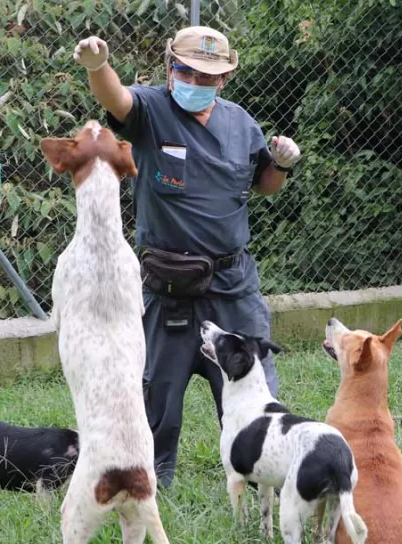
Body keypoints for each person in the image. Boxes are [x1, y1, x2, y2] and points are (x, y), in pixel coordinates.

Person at [71, 26, 303, 488]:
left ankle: (265, 484)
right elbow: (116, 98)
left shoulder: (241, 124)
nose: (195, 82)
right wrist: (98, 67)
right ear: (169, 66)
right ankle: (153, 488)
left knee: (256, 400)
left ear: (224, 79)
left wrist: (280, 165)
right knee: (157, 402)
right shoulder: (152, 111)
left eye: (207, 76)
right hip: (168, 288)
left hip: (232, 287)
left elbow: (263, 184)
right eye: (186, 71)